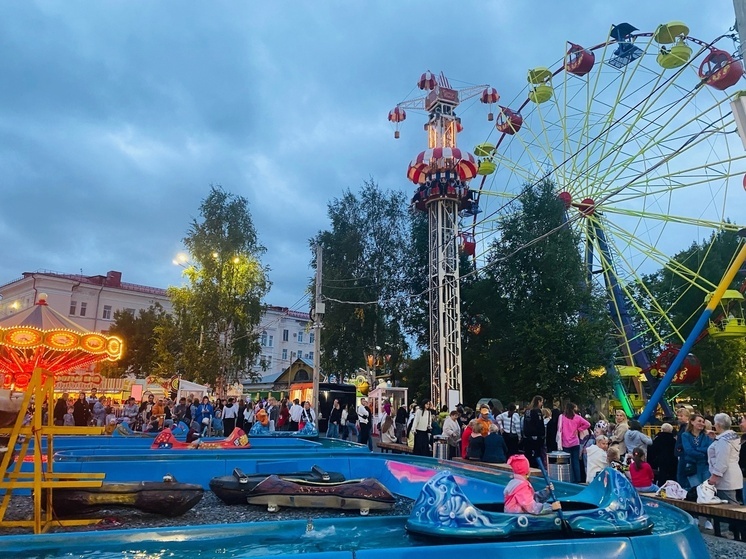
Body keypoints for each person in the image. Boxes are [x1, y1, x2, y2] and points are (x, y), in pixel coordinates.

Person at [706, 413, 742, 504]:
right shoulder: (732, 437)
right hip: (733, 474)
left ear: (718, 425)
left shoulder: (723, 441)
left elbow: (722, 461)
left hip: (725, 478)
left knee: (729, 507)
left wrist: (714, 477)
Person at [558, 401, 591, 483]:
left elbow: (559, 429)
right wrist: (579, 429)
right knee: (575, 461)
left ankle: (569, 479)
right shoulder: (577, 417)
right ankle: (578, 479)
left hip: (565, 443)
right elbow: (587, 424)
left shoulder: (562, 417)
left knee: (568, 462)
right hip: (575, 442)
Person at [680, 413, 713, 488]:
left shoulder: (706, 436)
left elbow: (710, 448)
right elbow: (688, 450)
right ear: (692, 422)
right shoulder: (685, 435)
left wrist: (697, 449)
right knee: (696, 488)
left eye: (703, 422)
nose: (702, 423)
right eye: (699, 421)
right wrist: (702, 454)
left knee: (707, 488)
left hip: (705, 466)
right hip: (692, 465)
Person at [521, 395, 546, 470]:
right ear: (538, 401)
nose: (542, 404)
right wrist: (542, 435)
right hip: (536, 437)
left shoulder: (527, 411)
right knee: (536, 455)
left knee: (528, 455)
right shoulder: (537, 411)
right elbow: (539, 424)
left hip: (527, 437)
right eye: (541, 402)